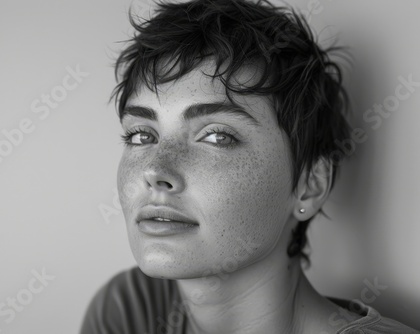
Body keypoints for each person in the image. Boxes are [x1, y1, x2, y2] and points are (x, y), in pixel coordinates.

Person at [81, 0, 419, 333]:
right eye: (141, 135)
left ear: (309, 185)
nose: (154, 171)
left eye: (216, 136)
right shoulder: (129, 310)